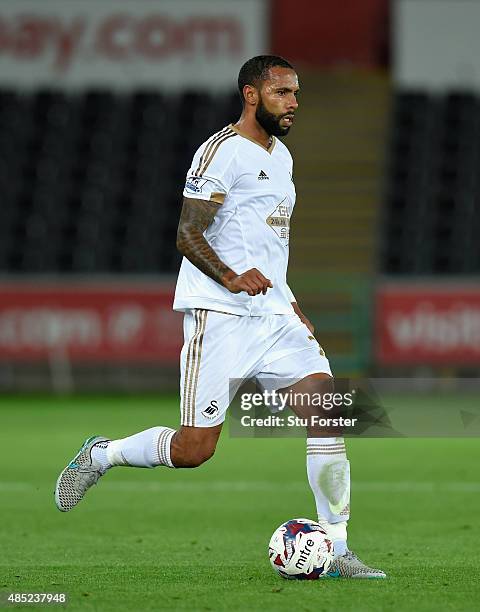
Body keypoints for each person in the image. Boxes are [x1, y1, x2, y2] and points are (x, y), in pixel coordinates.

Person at [55, 55, 385, 579]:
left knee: (329, 415)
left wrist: (289, 298)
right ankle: (104, 454)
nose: (294, 102)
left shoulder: (282, 157)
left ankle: (338, 547)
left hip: (274, 316)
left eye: (296, 92)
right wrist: (232, 277)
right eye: (282, 93)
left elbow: (269, 242)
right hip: (221, 315)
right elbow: (188, 233)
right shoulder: (221, 152)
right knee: (193, 450)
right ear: (251, 95)